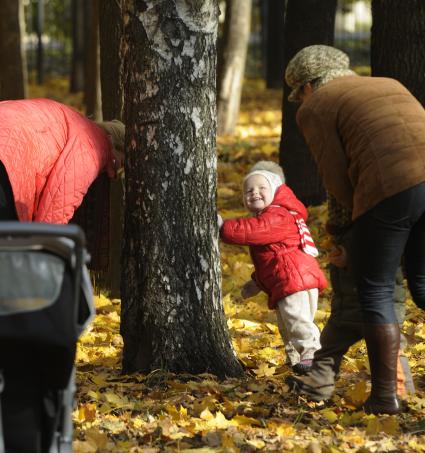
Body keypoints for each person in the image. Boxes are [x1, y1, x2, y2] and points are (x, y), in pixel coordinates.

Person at [284, 44, 425, 414]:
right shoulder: (389, 83)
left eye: (298, 93)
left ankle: (384, 399)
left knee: (376, 292)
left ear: (309, 85)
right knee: (423, 286)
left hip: (390, 189)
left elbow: (336, 180)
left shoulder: (318, 105)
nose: (300, 101)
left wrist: (340, 231)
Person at [286, 195, 415, 402]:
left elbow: (384, 265)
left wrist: (350, 258)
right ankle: (318, 384)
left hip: (380, 313)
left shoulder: (380, 231)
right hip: (345, 310)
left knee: (391, 352)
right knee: (328, 347)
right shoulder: (349, 233)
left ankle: (402, 391)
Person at [218, 161, 327, 374]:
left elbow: (255, 230)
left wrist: (224, 227)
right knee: (288, 324)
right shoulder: (278, 215)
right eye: (249, 190)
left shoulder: (278, 215)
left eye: (261, 188)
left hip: (293, 280)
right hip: (291, 277)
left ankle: (312, 352)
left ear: (275, 191)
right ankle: (296, 360)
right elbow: (273, 257)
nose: (254, 193)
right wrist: (257, 282)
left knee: (297, 320)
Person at [0, 98, 125, 223]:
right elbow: (58, 202)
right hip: (8, 154)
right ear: (117, 146)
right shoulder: (95, 144)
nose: (117, 171)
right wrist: (47, 241)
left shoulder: (75, 123)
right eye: (122, 165)